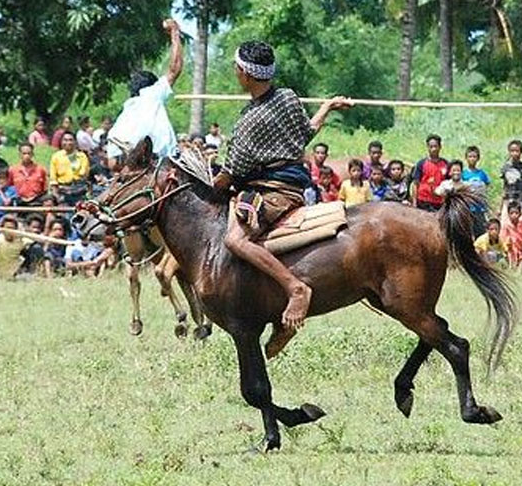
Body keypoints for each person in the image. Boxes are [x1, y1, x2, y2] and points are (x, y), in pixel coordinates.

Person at [211, 39, 350, 331]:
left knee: (235, 240)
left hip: (274, 191)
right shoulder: (287, 97)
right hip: (292, 183)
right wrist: (327, 107)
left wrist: (211, 182)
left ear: (246, 75)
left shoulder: (248, 121)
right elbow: (305, 134)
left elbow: (232, 172)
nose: (235, 72)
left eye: (237, 68)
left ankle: (295, 288)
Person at [105, 19, 183, 170]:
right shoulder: (152, 93)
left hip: (129, 175)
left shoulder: (121, 120)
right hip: (161, 169)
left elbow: (112, 164)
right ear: (152, 85)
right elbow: (175, 68)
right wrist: (175, 32)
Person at [49, 131, 90, 206]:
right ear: (61, 142)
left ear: (75, 142)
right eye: (65, 140)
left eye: (70, 140)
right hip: (63, 191)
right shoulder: (56, 157)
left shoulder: (82, 156)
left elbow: (83, 174)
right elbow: (53, 179)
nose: (68, 142)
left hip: (79, 191)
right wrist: (56, 194)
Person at [411, 134, 449, 211]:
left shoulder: (446, 164)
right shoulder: (421, 163)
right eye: (431, 147)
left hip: (439, 202)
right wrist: (414, 203)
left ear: (440, 147)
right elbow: (415, 184)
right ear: (427, 147)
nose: (433, 149)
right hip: (423, 201)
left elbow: (449, 183)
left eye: (436, 146)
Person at [500, 139, 522, 213]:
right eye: (512, 151)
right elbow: (504, 187)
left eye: (517, 151)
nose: (514, 153)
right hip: (508, 200)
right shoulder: (505, 167)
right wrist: (500, 207)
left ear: (521, 152)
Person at [501, 200, 522, 268]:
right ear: (508, 214)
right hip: (510, 250)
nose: (514, 215)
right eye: (511, 213)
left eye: (516, 213)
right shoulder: (506, 226)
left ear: (520, 214)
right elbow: (503, 240)